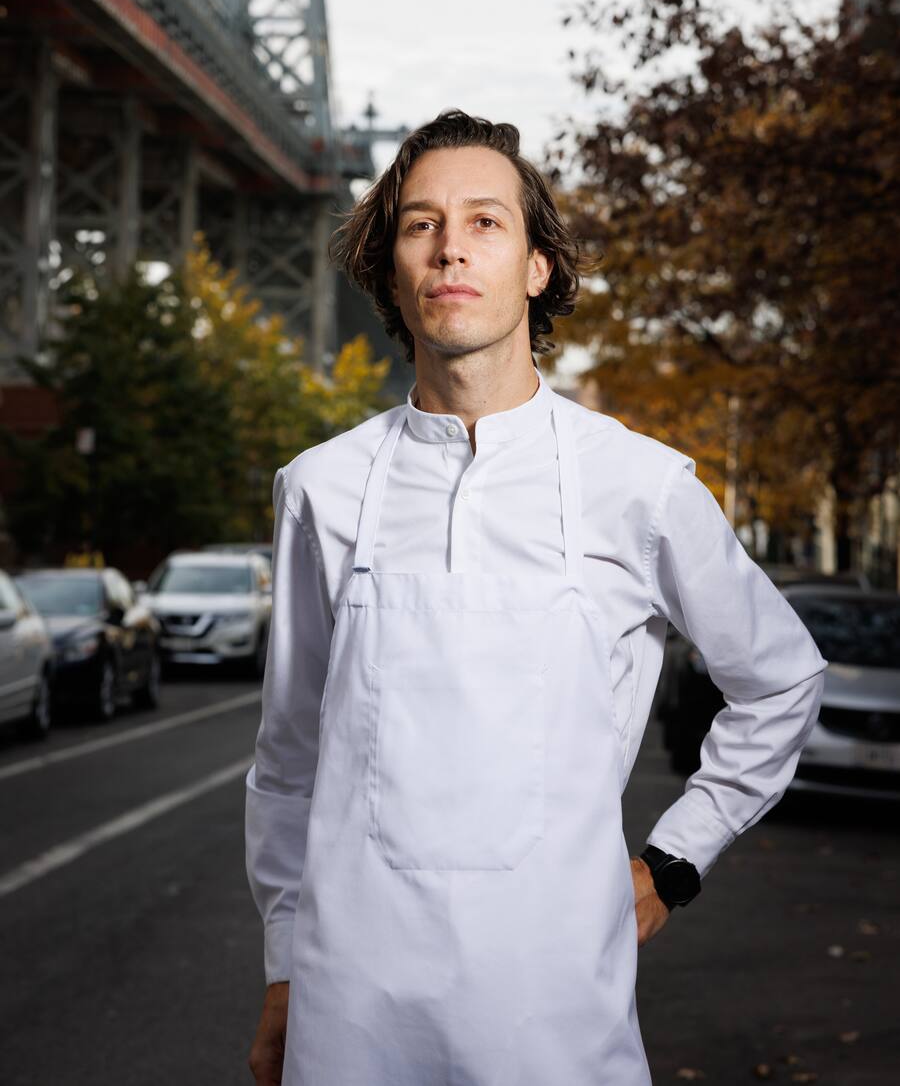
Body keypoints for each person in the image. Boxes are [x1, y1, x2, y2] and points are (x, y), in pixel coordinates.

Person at [245, 108, 827, 1086]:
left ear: (535, 267)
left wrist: (674, 862)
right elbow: (289, 760)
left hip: (556, 1023)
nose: (450, 248)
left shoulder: (640, 485)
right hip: (349, 1019)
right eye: (421, 224)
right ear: (392, 270)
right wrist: (281, 969)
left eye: (485, 221)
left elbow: (781, 679)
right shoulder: (321, 489)